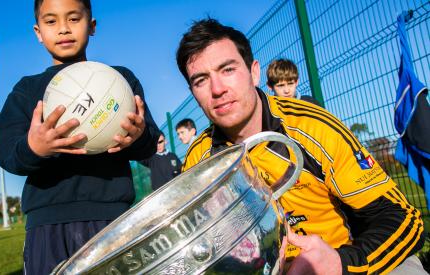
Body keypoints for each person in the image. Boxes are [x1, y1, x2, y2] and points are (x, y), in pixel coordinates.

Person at [176, 18, 425, 274]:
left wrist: (342, 262)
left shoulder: (312, 127)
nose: (217, 89)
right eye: (201, 80)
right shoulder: (199, 161)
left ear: (254, 72)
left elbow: (404, 221)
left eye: (228, 70)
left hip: (347, 257)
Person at [0, 0, 159, 273]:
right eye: (51, 21)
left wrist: (138, 137)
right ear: (38, 32)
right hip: (47, 224)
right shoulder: (26, 90)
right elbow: (6, 151)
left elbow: (149, 142)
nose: (63, 29)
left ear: (91, 26)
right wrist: (34, 147)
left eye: (73, 18)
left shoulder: (119, 80)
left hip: (112, 218)